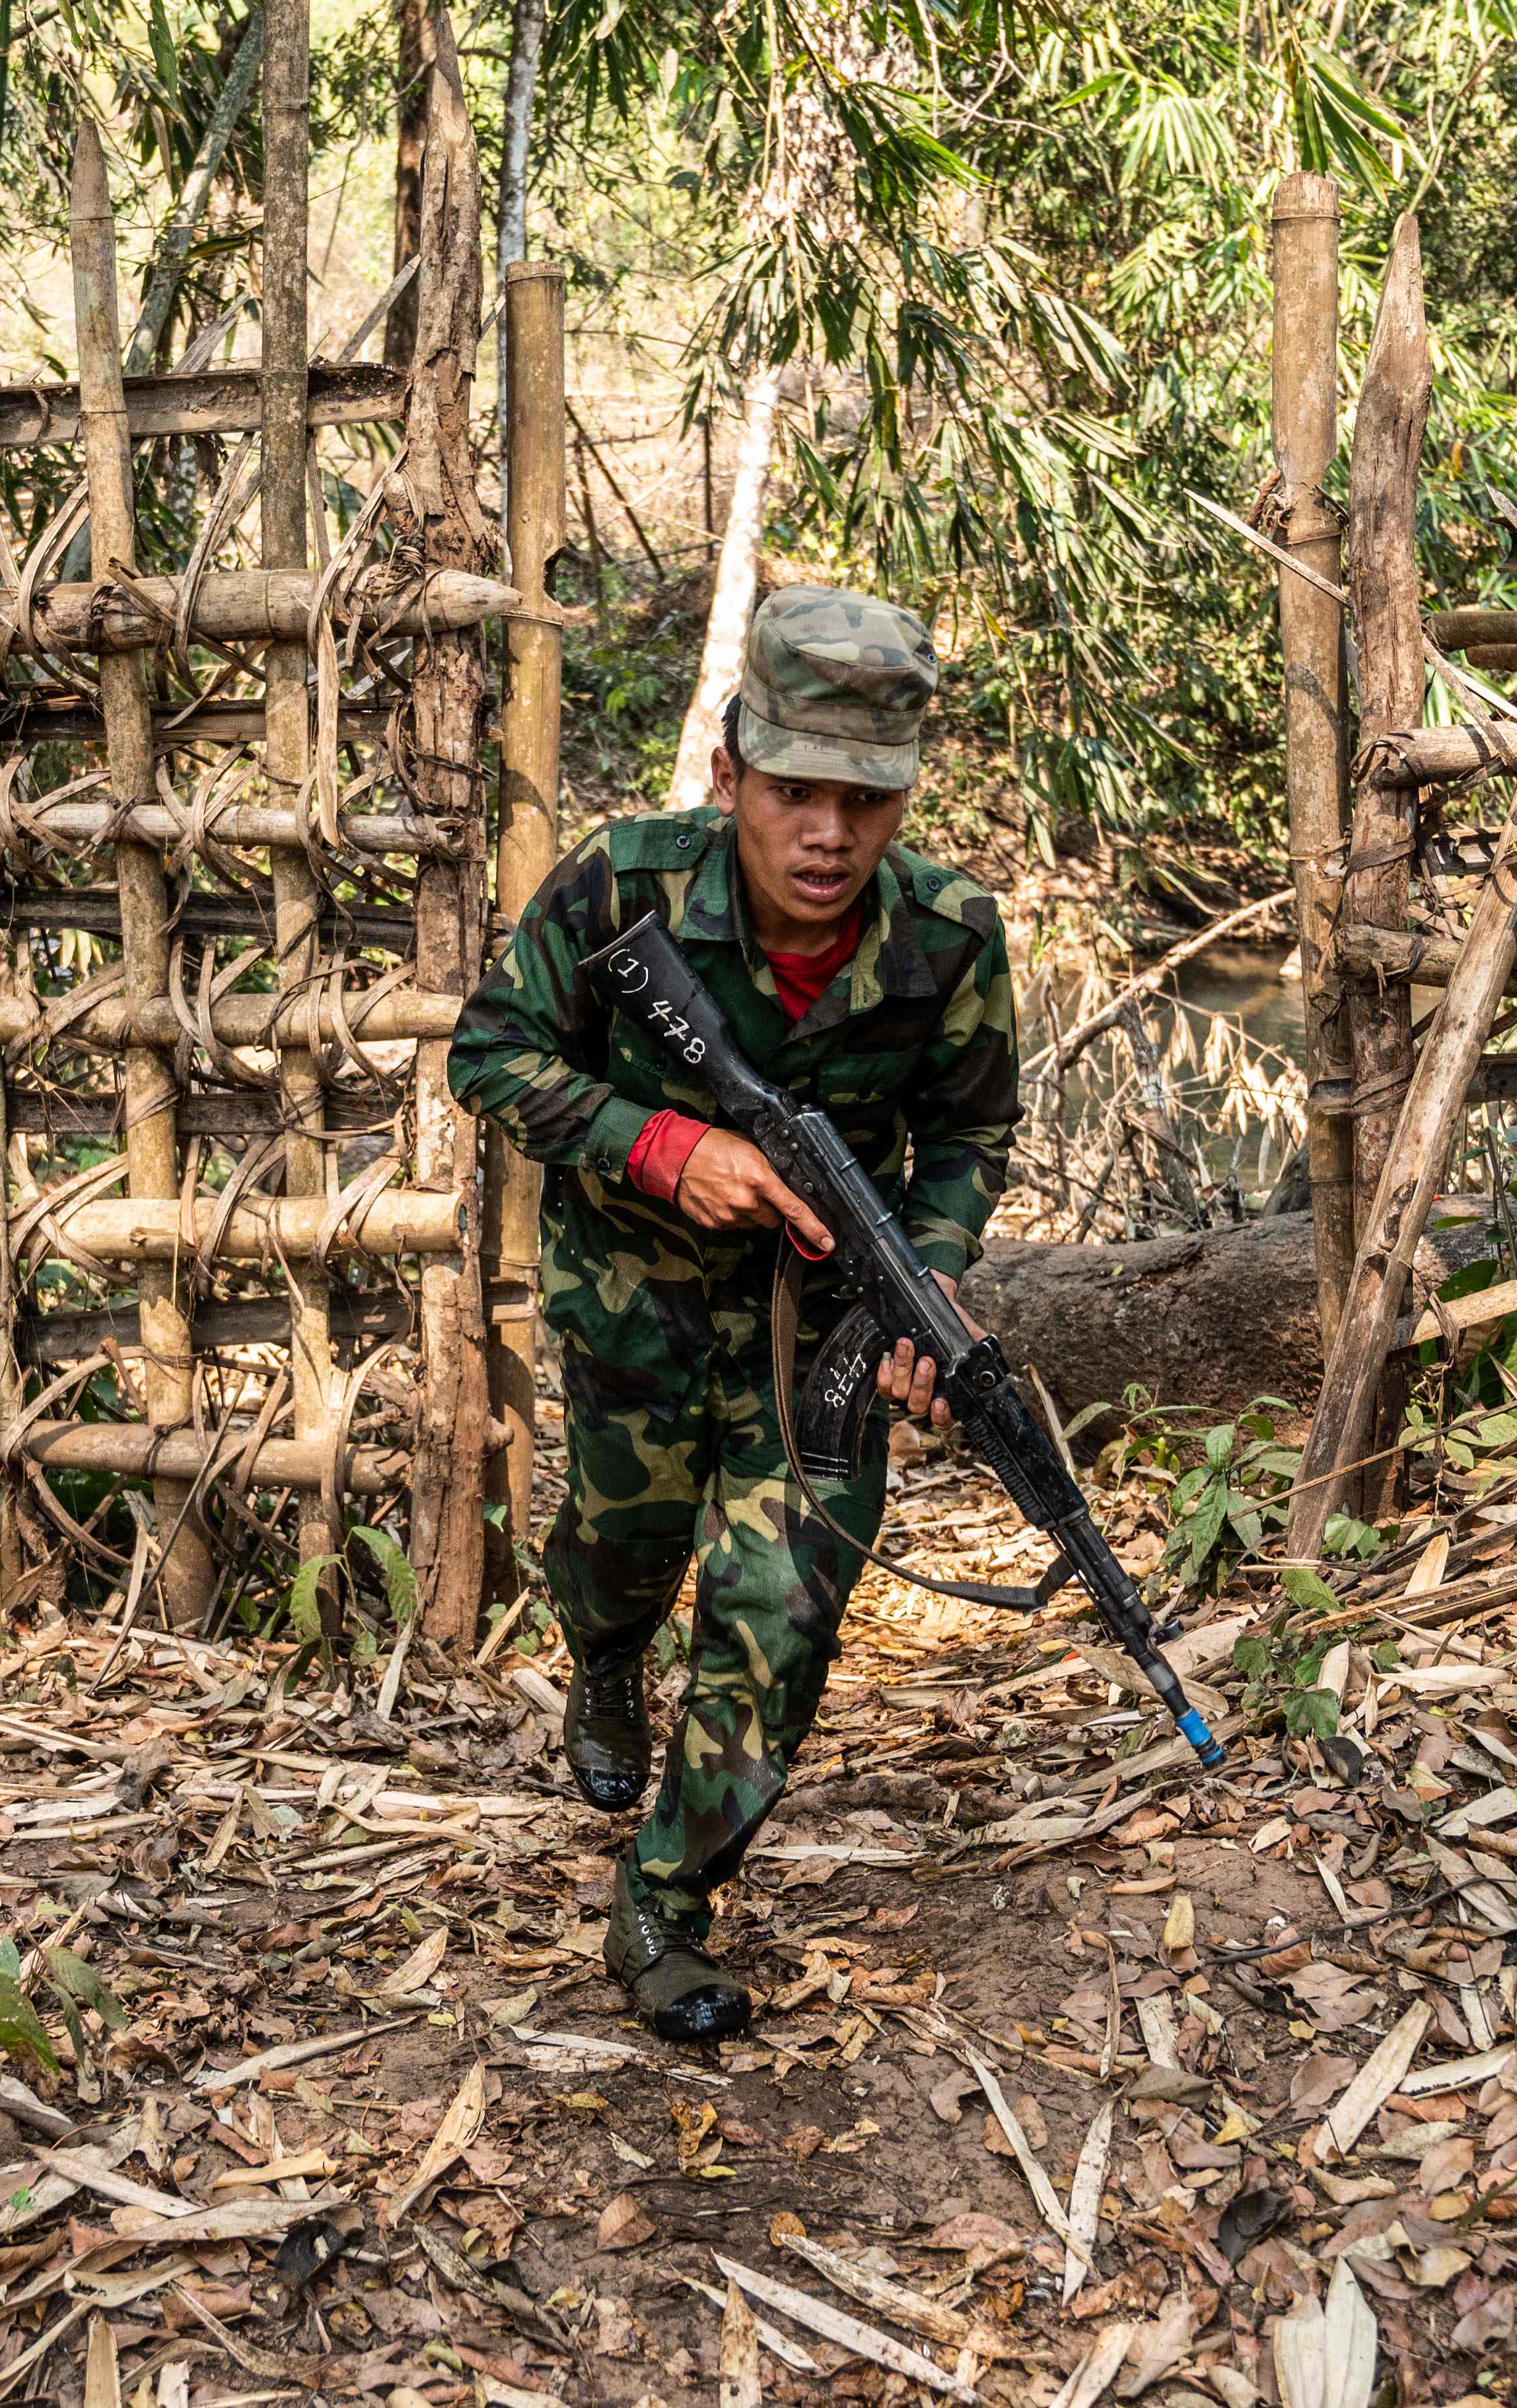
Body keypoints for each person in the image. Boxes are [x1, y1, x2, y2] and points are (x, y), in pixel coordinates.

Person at [449, 587, 1016, 2041]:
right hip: (633, 1318)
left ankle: (667, 1901)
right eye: (795, 793)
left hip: (818, 1340)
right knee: (616, 1556)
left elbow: (966, 1136)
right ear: (731, 775)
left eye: (865, 799)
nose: (828, 834)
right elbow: (491, 1053)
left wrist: (928, 1270)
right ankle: (606, 1657)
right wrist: (663, 1146)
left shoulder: (951, 938)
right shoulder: (618, 893)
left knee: (781, 1610)